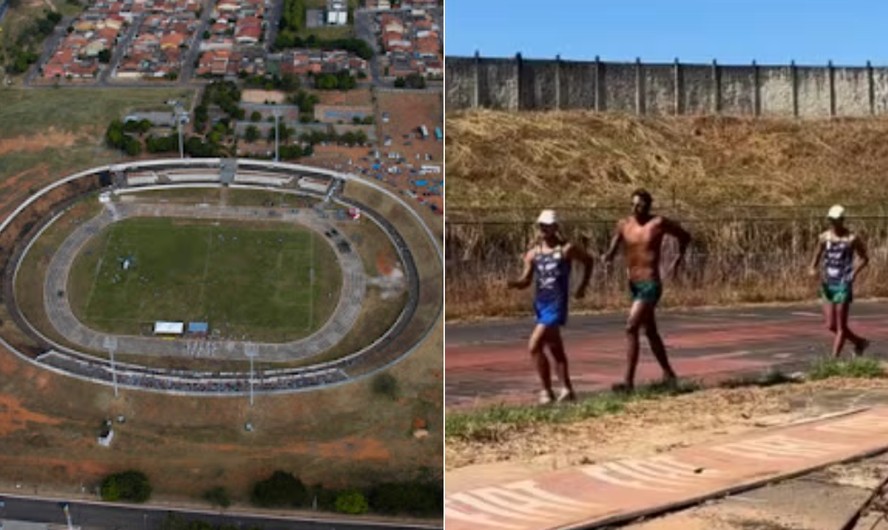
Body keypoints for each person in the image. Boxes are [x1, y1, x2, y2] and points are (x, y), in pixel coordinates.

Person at [602, 189, 691, 392]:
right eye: (633, 204)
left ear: (648, 206)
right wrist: (608, 255)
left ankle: (628, 382)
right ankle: (669, 375)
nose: (636, 209)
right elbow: (616, 241)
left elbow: (685, 236)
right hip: (633, 283)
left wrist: (678, 259)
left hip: (651, 283)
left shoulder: (658, 223)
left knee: (631, 327)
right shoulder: (624, 224)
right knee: (650, 332)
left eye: (640, 205)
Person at [507, 209, 594, 404]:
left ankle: (546, 391)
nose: (544, 229)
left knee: (534, 344)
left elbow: (589, 261)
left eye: (548, 226)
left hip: (556, 303)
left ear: (556, 227)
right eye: (541, 226)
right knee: (555, 347)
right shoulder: (533, 254)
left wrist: (581, 286)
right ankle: (567, 389)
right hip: (541, 303)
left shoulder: (566, 249)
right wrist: (513, 283)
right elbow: (526, 280)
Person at [808, 205, 870, 358]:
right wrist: (813, 269)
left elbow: (864, 258)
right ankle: (859, 342)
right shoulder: (824, 237)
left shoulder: (851, 238)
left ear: (842, 220)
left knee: (841, 326)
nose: (833, 223)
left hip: (843, 283)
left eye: (836, 220)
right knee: (830, 325)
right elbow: (815, 257)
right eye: (831, 220)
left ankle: (833, 361)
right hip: (828, 282)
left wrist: (854, 273)